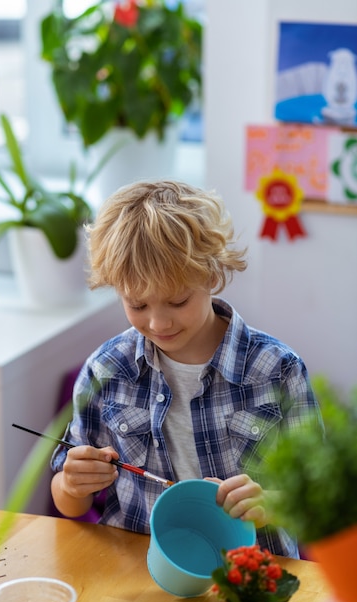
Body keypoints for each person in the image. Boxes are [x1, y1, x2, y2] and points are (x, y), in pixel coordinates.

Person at [50, 180, 322, 557]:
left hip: (251, 578)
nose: (159, 323)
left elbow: (321, 500)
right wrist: (71, 484)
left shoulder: (278, 371)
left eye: (177, 300)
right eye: (138, 305)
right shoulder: (106, 369)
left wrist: (273, 503)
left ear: (211, 275)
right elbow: (69, 503)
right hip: (136, 576)